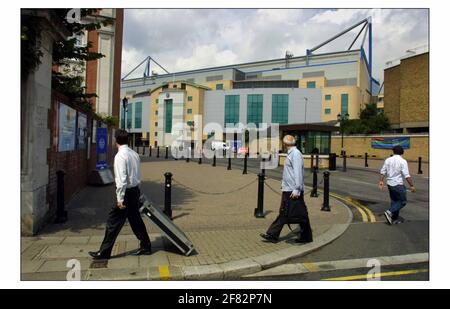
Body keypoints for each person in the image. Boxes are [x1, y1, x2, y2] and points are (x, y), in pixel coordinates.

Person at [89, 130, 152, 260]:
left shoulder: (120, 156)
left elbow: (121, 180)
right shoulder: (134, 154)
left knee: (113, 222)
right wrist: (137, 192)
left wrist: (120, 199)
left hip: (126, 194)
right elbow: (138, 175)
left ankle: (104, 253)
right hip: (134, 191)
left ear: (116, 140)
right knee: (136, 220)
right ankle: (146, 246)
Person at [260, 135, 313, 243]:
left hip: (292, 190)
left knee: (297, 214)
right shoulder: (292, 154)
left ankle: (274, 235)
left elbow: (298, 172)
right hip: (288, 188)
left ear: (284, 144)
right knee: (289, 213)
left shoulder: (295, 154)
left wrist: (297, 189)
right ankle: (274, 235)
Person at [379, 145, 416, 225]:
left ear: (394, 151)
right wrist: (412, 186)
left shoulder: (388, 160)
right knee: (403, 202)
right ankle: (389, 212)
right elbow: (407, 175)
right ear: (402, 152)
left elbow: (383, 171)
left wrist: (381, 181)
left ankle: (394, 219)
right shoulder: (403, 161)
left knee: (394, 201)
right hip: (398, 184)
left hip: (389, 184)